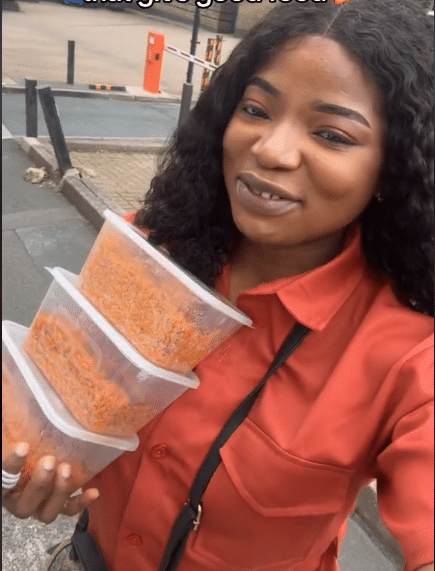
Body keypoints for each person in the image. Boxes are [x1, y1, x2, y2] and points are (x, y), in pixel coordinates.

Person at [2, 1, 434, 570]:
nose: (270, 151)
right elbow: (50, 403)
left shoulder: (409, 354)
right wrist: (28, 467)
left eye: (331, 134)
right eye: (256, 109)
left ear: (391, 169)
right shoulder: (148, 247)